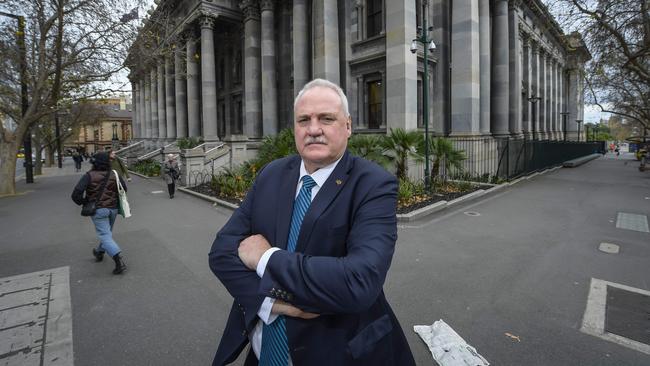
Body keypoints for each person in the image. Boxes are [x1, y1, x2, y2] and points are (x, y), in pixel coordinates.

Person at [208, 79, 415, 366]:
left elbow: (359, 282)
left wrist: (265, 257)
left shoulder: (373, 185)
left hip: (337, 352)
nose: (314, 129)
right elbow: (221, 253)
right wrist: (270, 302)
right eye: (304, 119)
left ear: (348, 126)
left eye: (326, 118)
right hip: (262, 350)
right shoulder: (272, 174)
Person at [71, 151, 127, 275]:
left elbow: (76, 194)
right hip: (113, 209)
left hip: (98, 210)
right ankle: (99, 252)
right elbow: (124, 189)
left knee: (104, 234)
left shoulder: (89, 175)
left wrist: (85, 201)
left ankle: (119, 260)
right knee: (107, 233)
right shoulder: (114, 174)